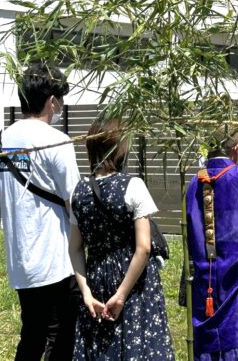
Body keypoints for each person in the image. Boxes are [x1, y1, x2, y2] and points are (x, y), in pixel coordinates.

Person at [68, 119, 174, 360]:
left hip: (96, 280)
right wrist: (122, 294)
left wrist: (86, 293)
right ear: (120, 149)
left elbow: (74, 249)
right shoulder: (133, 185)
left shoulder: (79, 191)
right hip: (132, 283)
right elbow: (144, 247)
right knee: (140, 346)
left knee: (100, 349)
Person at [0, 62, 81, 361]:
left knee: (32, 332)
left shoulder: (4, 138)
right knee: (59, 337)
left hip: (20, 257)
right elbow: (75, 200)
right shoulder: (57, 140)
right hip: (54, 258)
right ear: (52, 101)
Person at [184, 130, 238, 361]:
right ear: (235, 148)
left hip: (204, 280)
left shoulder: (193, 183)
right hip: (237, 278)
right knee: (236, 342)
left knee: (206, 346)